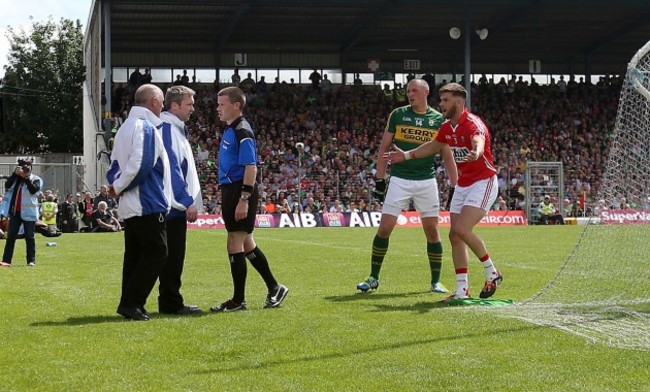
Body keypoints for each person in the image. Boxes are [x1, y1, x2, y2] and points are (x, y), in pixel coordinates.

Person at [387, 82, 502, 301]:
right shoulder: (447, 127)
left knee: (461, 229)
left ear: (459, 103)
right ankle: (462, 290)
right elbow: (432, 146)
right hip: (463, 184)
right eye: (440, 100)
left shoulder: (472, 123)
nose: (441, 104)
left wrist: (476, 152)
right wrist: (407, 155)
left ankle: (492, 272)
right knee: (454, 235)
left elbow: (479, 140)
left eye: (445, 100)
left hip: (483, 182)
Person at [356, 78, 458, 294]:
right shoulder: (398, 114)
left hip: (427, 180)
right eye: (408, 91)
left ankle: (436, 281)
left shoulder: (439, 120)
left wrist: (454, 185)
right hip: (400, 180)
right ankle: (373, 277)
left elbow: (447, 156)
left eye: (413, 90)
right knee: (384, 229)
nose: (409, 94)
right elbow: (384, 147)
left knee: (432, 231)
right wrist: (380, 180)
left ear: (425, 92)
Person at [211, 86, 288, 312]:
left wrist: (243, 198)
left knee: (234, 241)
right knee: (246, 244)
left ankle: (238, 300)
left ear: (236, 105)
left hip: (239, 190)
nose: (218, 108)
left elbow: (251, 167)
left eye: (222, 104)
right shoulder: (230, 129)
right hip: (232, 188)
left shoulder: (242, 130)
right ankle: (275, 287)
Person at [106, 84, 172, 321]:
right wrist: (120, 186)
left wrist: (115, 186)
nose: (163, 106)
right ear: (153, 101)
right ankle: (132, 302)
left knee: (134, 254)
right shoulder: (146, 127)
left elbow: (114, 165)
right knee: (157, 252)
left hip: (129, 204)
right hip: (146, 202)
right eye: (162, 101)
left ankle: (130, 302)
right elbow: (140, 166)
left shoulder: (124, 128)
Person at [158, 85, 203, 315]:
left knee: (174, 256)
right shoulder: (168, 129)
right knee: (172, 257)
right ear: (174, 105)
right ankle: (170, 303)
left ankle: (170, 301)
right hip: (172, 207)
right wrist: (187, 201)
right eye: (189, 104)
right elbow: (172, 169)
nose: (193, 108)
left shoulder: (175, 129)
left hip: (173, 205)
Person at [0, 158, 43, 267]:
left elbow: (34, 190)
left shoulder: (36, 179)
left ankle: (31, 260)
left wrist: (26, 178)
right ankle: (6, 260)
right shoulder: (15, 179)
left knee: (29, 237)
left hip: (29, 213)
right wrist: (15, 174)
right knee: (11, 237)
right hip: (15, 212)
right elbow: (7, 186)